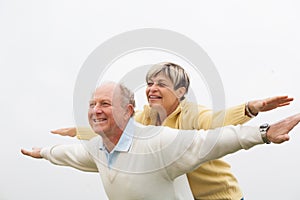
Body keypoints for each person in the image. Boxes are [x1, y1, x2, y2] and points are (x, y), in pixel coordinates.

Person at [52, 62, 293, 199]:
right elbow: (116, 131)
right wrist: (80, 131)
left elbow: (216, 122)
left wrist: (250, 109)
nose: (152, 89)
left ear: (180, 92)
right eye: (149, 84)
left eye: (161, 84)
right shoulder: (144, 117)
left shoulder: (192, 114)